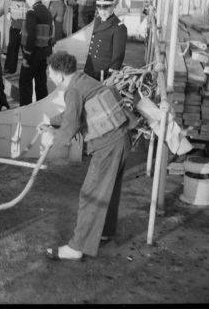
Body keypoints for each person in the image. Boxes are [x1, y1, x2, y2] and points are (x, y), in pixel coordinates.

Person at [40, 51, 130, 261]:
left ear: (60, 75)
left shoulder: (72, 91)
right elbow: (73, 114)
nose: (50, 78)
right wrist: (51, 122)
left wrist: (52, 144)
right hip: (121, 138)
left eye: (50, 74)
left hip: (107, 145)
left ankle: (77, 247)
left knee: (90, 194)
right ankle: (104, 232)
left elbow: (71, 124)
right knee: (108, 190)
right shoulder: (83, 80)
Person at [18, 0, 54, 106]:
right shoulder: (46, 12)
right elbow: (50, 35)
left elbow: (31, 36)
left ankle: (25, 110)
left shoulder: (32, 13)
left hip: (32, 55)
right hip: (43, 54)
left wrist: (26, 57)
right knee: (41, 84)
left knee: (24, 83)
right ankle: (41, 107)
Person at [84, 0, 128, 82]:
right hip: (90, 67)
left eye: (106, 9)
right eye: (99, 9)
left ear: (113, 7)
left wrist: (113, 75)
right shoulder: (98, 19)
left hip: (102, 72)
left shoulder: (119, 27)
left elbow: (118, 54)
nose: (102, 12)